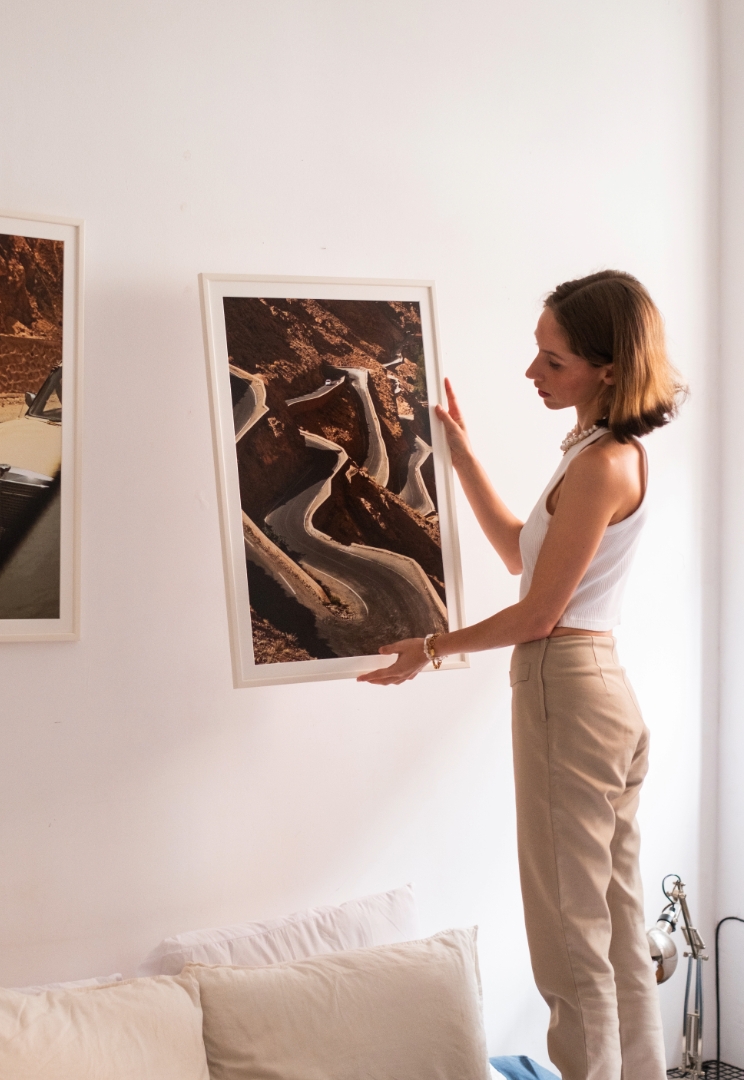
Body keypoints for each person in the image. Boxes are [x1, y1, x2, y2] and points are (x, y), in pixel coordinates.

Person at [358, 270, 686, 1080]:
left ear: (608, 369)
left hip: (566, 689)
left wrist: (429, 647)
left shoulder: (601, 464)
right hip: (598, 688)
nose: (532, 372)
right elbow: (520, 555)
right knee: (615, 920)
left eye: (553, 360)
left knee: (570, 932)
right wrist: (464, 459)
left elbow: (538, 616)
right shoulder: (602, 455)